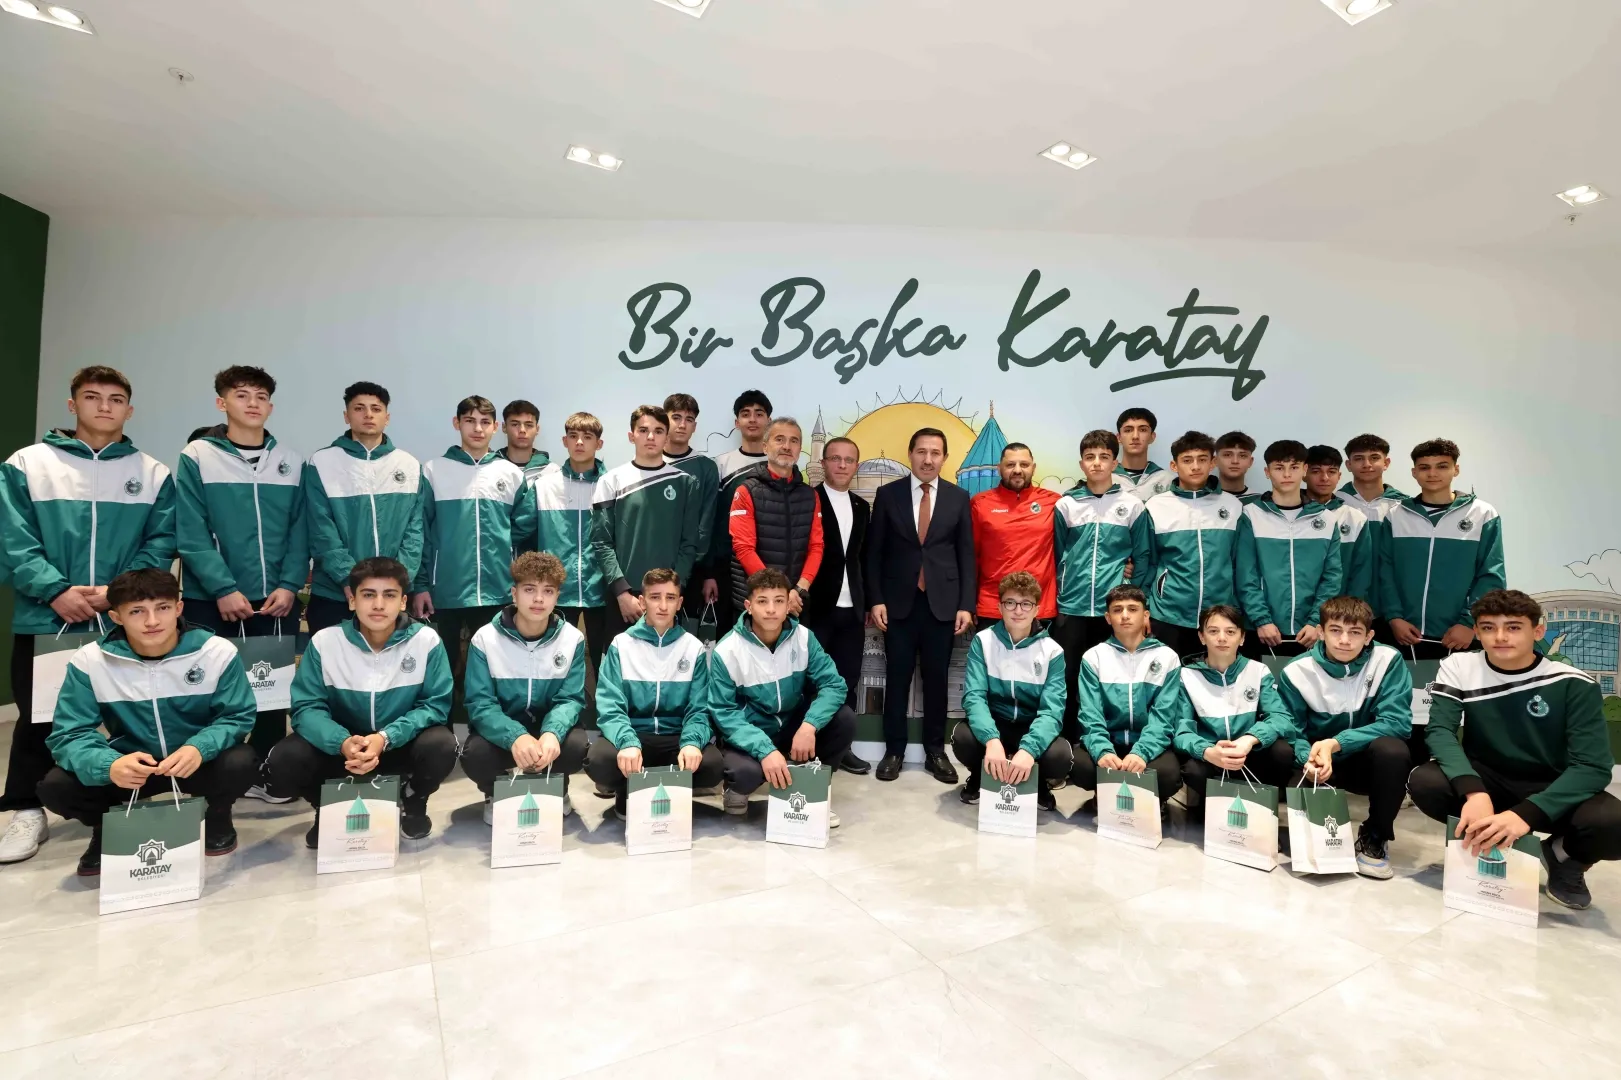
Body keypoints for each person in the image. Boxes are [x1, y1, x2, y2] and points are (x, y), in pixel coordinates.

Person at [0, 365, 176, 866]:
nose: (104, 406)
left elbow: (161, 540)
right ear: (72, 404)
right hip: (48, 616)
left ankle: (127, 801)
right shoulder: (29, 463)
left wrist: (118, 594)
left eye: (116, 399)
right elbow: (13, 538)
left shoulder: (151, 473)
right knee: (41, 717)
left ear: (129, 410)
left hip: (124, 619)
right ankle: (26, 809)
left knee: (132, 713)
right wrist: (55, 589)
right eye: (93, 397)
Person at [37, 569, 256, 877]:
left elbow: (236, 716)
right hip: (131, 767)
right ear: (116, 617)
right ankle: (106, 827)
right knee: (57, 786)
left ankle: (217, 814)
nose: (152, 621)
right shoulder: (89, 661)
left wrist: (199, 747)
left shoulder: (216, 652)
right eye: (137, 611)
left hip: (194, 762)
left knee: (242, 760)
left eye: (162, 608)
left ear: (178, 608)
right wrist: (109, 764)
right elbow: (70, 734)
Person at [1410, 589, 1620, 910]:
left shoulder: (1574, 683)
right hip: (1488, 778)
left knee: (1613, 823)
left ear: (1537, 631)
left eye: (1513, 627)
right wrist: (1473, 792)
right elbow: (1440, 731)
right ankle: (1495, 844)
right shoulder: (1460, 666)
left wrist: (1525, 815)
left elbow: (1592, 767)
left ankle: (1564, 856)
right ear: (1476, 632)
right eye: (1488, 627)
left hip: (1550, 782)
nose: (1500, 637)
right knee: (1425, 782)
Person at [173, 364, 304, 802]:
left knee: (270, 691)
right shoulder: (197, 456)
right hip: (211, 598)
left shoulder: (290, 461)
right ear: (222, 402)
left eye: (261, 396)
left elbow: (299, 531)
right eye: (242, 394)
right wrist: (223, 589)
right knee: (208, 689)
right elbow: (190, 531)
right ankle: (208, 777)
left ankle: (266, 772)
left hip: (275, 598)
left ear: (271, 406)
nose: (253, 403)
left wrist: (289, 585)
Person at [265, 557, 456, 845]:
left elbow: (435, 705)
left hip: (398, 743)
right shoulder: (325, 642)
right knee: (285, 758)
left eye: (389, 595)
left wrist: (386, 738)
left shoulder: (426, 641)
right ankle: (327, 808)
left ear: (403, 602)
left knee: (442, 744)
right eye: (368, 595)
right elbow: (306, 708)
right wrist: (342, 742)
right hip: (342, 749)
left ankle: (413, 801)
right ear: (352, 601)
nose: (378, 605)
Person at [412, 395, 535, 725]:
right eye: (469, 421)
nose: (477, 428)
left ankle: (490, 734)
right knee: (442, 668)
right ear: (457, 424)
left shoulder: (511, 473)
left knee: (493, 669)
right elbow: (420, 531)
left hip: (496, 589)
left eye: (484, 422)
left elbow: (524, 526)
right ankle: (440, 733)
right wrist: (420, 585)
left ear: (495, 427)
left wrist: (503, 554)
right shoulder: (433, 470)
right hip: (445, 590)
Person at [865, 427, 976, 784]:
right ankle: (893, 752)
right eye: (922, 452)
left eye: (935, 453)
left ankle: (935, 752)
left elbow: (966, 555)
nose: (928, 459)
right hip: (898, 604)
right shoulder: (888, 494)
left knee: (937, 681)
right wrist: (876, 599)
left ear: (945, 458)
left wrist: (966, 604)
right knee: (897, 680)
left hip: (943, 605)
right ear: (911, 454)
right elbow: (874, 553)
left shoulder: (959, 497)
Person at [1276, 595, 1413, 879]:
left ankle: (1375, 835)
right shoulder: (1296, 671)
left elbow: (1397, 723)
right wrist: (1308, 760)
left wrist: (1336, 743)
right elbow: (1292, 729)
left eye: (1355, 632)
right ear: (1321, 632)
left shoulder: (1388, 660)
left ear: (1369, 636)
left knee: (1394, 751)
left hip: (1366, 762)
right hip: (1321, 763)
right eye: (1336, 630)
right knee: (1280, 750)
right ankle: (1293, 825)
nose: (1345, 640)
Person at [711, 569, 857, 822]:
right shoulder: (727, 650)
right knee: (743, 774)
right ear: (748, 606)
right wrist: (765, 750)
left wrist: (809, 726)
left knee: (844, 719)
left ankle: (811, 789)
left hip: (792, 726)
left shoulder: (804, 638)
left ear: (788, 604)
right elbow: (724, 713)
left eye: (779, 601)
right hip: (752, 731)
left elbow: (834, 685)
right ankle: (736, 790)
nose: (771, 610)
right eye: (762, 601)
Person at [460, 552, 589, 822]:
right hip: (502, 727)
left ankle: (557, 787)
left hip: (547, 726)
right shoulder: (485, 638)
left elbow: (570, 699)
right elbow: (480, 703)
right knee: (475, 754)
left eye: (548, 591)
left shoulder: (572, 638)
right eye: (530, 589)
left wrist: (552, 733)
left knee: (577, 746)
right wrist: (515, 736)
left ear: (557, 596)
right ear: (514, 594)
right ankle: (496, 792)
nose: (539, 599)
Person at [586, 568, 724, 819]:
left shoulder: (693, 648)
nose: (662, 605)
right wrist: (627, 742)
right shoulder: (621, 645)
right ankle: (627, 788)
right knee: (599, 761)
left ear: (679, 603)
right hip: (635, 734)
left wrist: (692, 743)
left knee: (712, 765)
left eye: (670, 598)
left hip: (675, 737)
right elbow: (609, 705)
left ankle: (668, 789)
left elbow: (700, 707)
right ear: (642, 601)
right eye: (655, 597)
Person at [1052, 430, 1154, 743]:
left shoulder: (1132, 506)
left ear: (1114, 462)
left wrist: (1131, 594)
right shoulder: (1067, 504)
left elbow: (1144, 556)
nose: (1096, 463)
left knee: (1110, 678)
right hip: (1072, 606)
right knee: (1068, 678)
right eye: (1090, 457)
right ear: (1081, 463)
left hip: (1113, 611)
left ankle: (1105, 744)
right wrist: (1063, 588)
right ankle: (1068, 742)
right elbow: (1056, 554)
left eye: (1104, 457)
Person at [302, 381, 424, 634]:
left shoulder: (409, 465)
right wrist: (351, 580)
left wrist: (397, 580)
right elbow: (321, 530)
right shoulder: (322, 462)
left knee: (392, 659)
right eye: (359, 408)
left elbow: (416, 531)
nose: (368, 414)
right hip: (336, 594)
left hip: (393, 595)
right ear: (346, 416)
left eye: (376, 409)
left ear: (387, 417)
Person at [952, 572, 1072, 810]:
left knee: (1061, 756)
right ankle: (980, 775)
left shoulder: (1052, 651)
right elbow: (974, 697)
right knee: (962, 738)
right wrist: (991, 739)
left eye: (1026, 604)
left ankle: (1036, 780)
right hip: (996, 723)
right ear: (999, 607)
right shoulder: (983, 641)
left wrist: (1029, 750)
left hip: (1031, 725)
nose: (1018, 610)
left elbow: (1052, 711)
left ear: (1037, 610)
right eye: (1010, 603)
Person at [1378, 438, 1505, 659]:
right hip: (1405, 634)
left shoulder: (1483, 514)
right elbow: (1385, 571)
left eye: (1442, 466)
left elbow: (1491, 575)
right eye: (1424, 467)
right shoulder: (1396, 515)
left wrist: (1470, 622)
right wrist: (1394, 617)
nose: (1432, 474)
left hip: (1461, 635)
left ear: (1456, 469)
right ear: (1414, 472)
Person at [1171, 605, 1298, 816]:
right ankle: (1210, 805)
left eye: (1230, 632)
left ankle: (1262, 803)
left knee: (1282, 751)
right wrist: (1208, 751)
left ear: (1242, 638)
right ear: (1201, 637)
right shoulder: (1186, 676)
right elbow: (1181, 732)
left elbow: (1281, 718)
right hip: (1212, 756)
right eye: (1213, 631)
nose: (1222, 638)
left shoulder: (1258, 670)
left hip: (1249, 755)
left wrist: (1249, 739)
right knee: (1193, 769)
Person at [590, 405, 702, 637]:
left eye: (658, 431)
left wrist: (672, 593)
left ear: (666, 437)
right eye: (643, 430)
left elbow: (689, 543)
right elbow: (601, 542)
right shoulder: (610, 481)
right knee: (621, 659)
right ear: (631, 436)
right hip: (625, 598)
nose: (651, 437)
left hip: (666, 598)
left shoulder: (684, 482)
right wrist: (622, 593)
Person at [1069, 585, 1184, 805]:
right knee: (1081, 768)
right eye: (1117, 609)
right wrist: (1102, 751)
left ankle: (1151, 800)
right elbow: (1090, 714)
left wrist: (1141, 753)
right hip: (1109, 741)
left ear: (1145, 616)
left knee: (1168, 775)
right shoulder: (1094, 657)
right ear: (1107, 618)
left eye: (1132, 609)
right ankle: (1105, 794)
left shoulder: (1167, 657)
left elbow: (1164, 717)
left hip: (1148, 743)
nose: (1124, 615)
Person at [802, 436, 874, 776]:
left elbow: (863, 558)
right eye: (835, 458)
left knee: (848, 680)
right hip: (816, 607)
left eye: (849, 459)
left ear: (856, 465)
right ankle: (807, 747)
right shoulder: (809, 499)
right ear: (824, 463)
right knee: (811, 682)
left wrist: (869, 602)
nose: (842, 465)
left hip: (853, 608)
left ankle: (841, 748)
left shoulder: (861, 506)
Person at [1234, 440, 1343, 659]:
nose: (1286, 474)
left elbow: (1332, 577)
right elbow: (1246, 575)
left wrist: (1316, 621)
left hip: (1311, 632)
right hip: (1262, 631)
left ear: (1304, 470)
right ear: (1267, 472)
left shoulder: (1326, 519)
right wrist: (1261, 620)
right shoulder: (1251, 515)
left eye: (1294, 467)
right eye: (1279, 468)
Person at [1139, 431, 1243, 660]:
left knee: (1214, 679)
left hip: (1219, 617)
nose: (1195, 466)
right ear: (1174, 466)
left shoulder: (1232, 506)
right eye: (1187, 460)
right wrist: (1144, 609)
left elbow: (1240, 565)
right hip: (1168, 614)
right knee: (1167, 677)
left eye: (1202, 459)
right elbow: (1147, 562)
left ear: (1212, 463)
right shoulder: (1156, 506)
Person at [532, 412, 609, 677]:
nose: (579, 442)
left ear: (599, 444)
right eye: (573, 436)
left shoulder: (612, 485)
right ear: (564, 441)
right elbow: (523, 532)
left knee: (603, 662)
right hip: (557, 589)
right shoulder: (544, 486)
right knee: (555, 663)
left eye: (587, 437)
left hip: (601, 588)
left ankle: (603, 704)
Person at [727, 416, 824, 614]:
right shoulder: (746, 491)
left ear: (800, 449)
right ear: (765, 447)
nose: (787, 446)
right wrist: (779, 594)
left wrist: (800, 588)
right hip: (756, 601)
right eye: (779, 439)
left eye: (794, 441)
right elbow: (743, 548)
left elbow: (816, 546)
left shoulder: (810, 495)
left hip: (796, 601)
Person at [969, 443, 1056, 630]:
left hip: (1040, 608)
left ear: (1033, 468)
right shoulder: (980, 503)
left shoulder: (1054, 502)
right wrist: (968, 603)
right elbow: (970, 558)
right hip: (993, 606)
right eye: (1010, 465)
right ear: (999, 468)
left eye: (1024, 464)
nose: (1017, 470)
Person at [707, 390, 773, 632]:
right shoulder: (720, 464)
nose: (752, 419)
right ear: (737, 422)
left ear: (768, 421)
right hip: (728, 568)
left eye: (759, 414)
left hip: (770, 562)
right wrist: (710, 572)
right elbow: (712, 520)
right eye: (746, 414)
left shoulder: (780, 464)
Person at [662, 393, 721, 612]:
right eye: (676, 417)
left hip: (692, 568)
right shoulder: (649, 463)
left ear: (695, 426)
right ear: (664, 420)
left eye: (689, 419)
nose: (682, 425)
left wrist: (705, 571)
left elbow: (708, 521)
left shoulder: (706, 467)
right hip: (651, 564)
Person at [1305, 445, 1376, 610]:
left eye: (1331, 471)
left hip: (1339, 613)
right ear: (1304, 474)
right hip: (1297, 612)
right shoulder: (1290, 515)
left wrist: (1350, 611)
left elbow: (1361, 572)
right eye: (1316, 471)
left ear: (1339, 476)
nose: (1324, 478)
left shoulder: (1355, 518)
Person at [1338, 433, 1406, 522]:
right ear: (1348, 465)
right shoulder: (1334, 503)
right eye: (1359, 458)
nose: (1367, 465)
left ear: (1386, 463)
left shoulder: (1404, 505)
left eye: (1374, 458)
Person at [1112, 407, 1172, 501]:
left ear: (1152, 437)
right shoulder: (1106, 478)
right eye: (1128, 430)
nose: (1135, 436)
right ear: (1119, 438)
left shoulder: (1166, 480)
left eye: (1143, 430)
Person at [497, 398, 550, 481]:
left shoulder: (551, 471)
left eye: (529, 425)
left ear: (537, 429)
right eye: (515, 424)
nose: (522, 430)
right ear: (504, 427)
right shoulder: (489, 468)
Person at [1214, 431, 1264, 501]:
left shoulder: (1261, 502)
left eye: (1242, 456)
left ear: (1250, 462)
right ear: (1215, 461)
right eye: (1227, 455)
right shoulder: (1202, 499)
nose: (1235, 461)